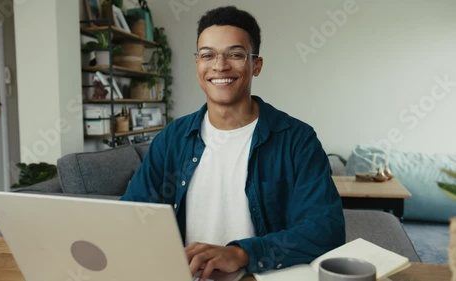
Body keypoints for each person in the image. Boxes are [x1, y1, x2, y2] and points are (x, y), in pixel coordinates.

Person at [121, 5, 345, 280]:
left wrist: (242, 254)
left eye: (235, 54)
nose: (220, 65)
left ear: (256, 65)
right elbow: (132, 214)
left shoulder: (297, 140)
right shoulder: (172, 139)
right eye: (208, 55)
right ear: (198, 66)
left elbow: (325, 229)